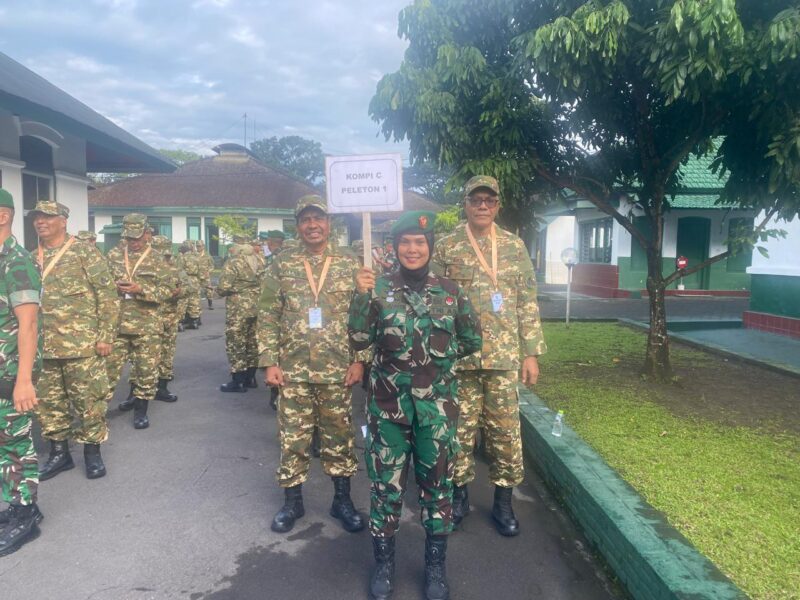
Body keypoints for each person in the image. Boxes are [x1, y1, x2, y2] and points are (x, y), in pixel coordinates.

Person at [349, 211, 482, 600]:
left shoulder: (451, 292)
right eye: (405, 242)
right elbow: (358, 340)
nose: (412, 249)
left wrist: (438, 366)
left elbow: (473, 341)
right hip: (388, 411)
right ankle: (384, 566)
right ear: (394, 247)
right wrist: (359, 296)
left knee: (438, 490)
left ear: (430, 247)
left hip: (436, 414)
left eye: (419, 242)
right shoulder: (377, 290)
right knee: (385, 489)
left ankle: (436, 569)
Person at [432, 175, 547, 537]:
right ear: (464, 204)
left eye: (489, 201)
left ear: (497, 206)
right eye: (476, 199)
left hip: (502, 359)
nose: (483, 206)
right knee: (458, 432)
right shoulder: (447, 247)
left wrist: (531, 353)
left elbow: (527, 302)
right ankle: (460, 495)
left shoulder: (514, 247)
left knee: (505, 434)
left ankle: (503, 502)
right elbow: (433, 300)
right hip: (459, 358)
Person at [257, 194, 366, 534]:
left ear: (328, 223)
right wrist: (269, 362)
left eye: (318, 218)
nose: (313, 225)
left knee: (340, 437)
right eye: (306, 219)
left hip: (337, 369)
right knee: (293, 438)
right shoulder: (282, 263)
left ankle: (342, 501)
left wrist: (361, 359)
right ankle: (293, 503)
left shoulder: (350, 264)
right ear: (298, 225)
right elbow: (267, 313)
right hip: (293, 370)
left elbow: (363, 317)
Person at [30, 200, 119, 480]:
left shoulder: (85, 253)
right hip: (44, 348)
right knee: (49, 404)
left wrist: (105, 336)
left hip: (82, 346)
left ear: (63, 220)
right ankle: (60, 455)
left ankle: (92, 454)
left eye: (47, 217)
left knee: (89, 401)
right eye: (37, 218)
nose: (40, 222)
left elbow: (107, 296)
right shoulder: (31, 257)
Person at [0, 188, 43, 556]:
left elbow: (28, 326)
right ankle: (19, 501)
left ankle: (25, 514)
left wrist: (24, 380)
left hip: (11, 372)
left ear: (2, 215)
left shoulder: (17, 262)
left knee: (14, 443)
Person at [105, 214, 170, 429]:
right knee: (107, 371)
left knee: (146, 370)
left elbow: (168, 291)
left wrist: (140, 289)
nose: (133, 242)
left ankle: (141, 411)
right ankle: (96, 415)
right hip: (117, 324)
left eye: (137, 238)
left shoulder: (158, 258)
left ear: (146, 234)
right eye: (129, 238)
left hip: (147, 325)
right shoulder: (113, 255)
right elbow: (100, 286)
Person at [217, 238, 263, 392]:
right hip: (256, 305)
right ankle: (251, 378)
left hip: (238, 307)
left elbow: (224, 287)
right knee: (252, 341)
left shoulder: (234, 262)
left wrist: (218, 292)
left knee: (236, 341)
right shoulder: (260, 261)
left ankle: (238, 380)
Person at [151, 235, 185, 402]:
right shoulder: (143, 267)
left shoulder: (175, 268)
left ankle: (162, 388)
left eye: (166, 255)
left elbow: (189, 288)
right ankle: (135, 394)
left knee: (167, 353)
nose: (164, 258)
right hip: (148, 317)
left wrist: (179, 292)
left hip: (169, 317)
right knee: (143, 356)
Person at [176, 240, 202, 329]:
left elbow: (179, 270)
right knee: (194, 300)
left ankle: (180, 323)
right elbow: (201, 271)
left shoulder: (182, 257)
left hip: (185, 279)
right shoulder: (196, 257)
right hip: (195, 280)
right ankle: (194, 321)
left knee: (183, 301)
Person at [195, 240, 215, 310]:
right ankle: (196, 305)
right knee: (195, 291)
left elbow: (212, 266)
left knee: (209, 290)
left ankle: (210, 304)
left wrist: (208, 272)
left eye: (200, 246)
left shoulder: (207, 255)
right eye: (197, 246)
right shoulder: (194, 255)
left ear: (203, 246)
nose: (198, 248)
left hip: (205, 276)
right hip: (196, 276)